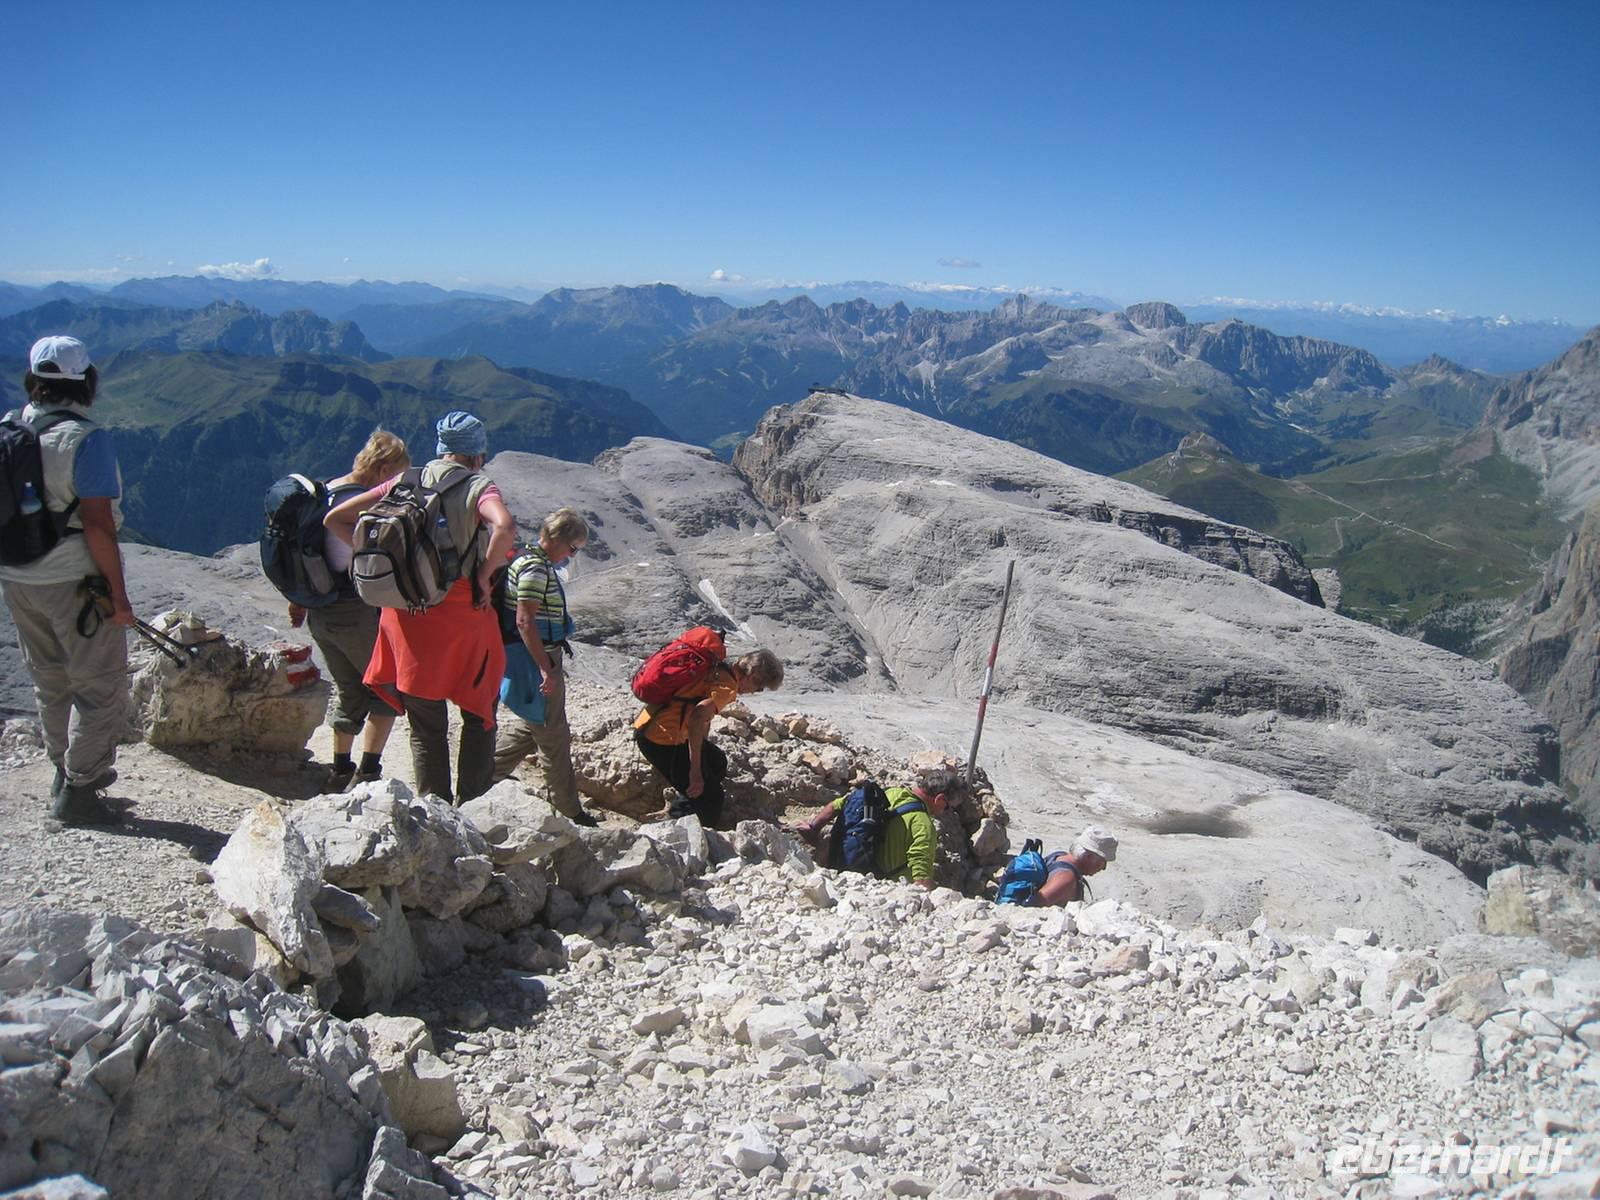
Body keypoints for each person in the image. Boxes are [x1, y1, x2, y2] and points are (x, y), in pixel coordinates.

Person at [325, 411, 515, 804]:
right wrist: (483, 577)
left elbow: (336, 519)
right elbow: (504, 526)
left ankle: (436, 809)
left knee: (426, 725)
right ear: (477, 454)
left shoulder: (404, 479)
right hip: (462, 615)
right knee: (479, 714)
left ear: (441, 449)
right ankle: (474, 806)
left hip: (406, 617)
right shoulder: (479, 485)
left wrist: (387, 571)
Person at [0, 337, 134, 825]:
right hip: (73, 582)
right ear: (86, 382)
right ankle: (80, 790)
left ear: (34, 380)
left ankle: (65, 773)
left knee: (49, 681)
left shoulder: (9, 428)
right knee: (101, 687)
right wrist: (118, 596)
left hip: (16, 577)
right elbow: (97, 524)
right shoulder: (85, 439)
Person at [286, 430, 409, 791]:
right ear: (383, 467)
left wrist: (299, 601)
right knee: (388, 689)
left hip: (321, 613)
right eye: (395, 474)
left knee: (349, 689)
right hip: (353, 612)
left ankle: (340, 768)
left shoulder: (325, 490)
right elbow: (368, 561)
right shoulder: (361, 506)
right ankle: (368, 771)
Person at [491, 507, 596, 825]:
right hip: (537, 658)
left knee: (534, 723)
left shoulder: (527, 557)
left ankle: (483, 776)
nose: (572, 555)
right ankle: (570, 811)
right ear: (561, 540)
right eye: (573, 548)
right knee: (554, 737)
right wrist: (545, 669)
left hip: (531, 656)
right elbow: (525, 621)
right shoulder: (535, 568)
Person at [633, 647, 784, 829]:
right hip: (662, 742)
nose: (755, 691)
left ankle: (682, 805)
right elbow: (698, 717)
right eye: (759, 688)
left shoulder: (718, 669)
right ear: (753, 677)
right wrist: (695, 771)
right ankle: (680, 831)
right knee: (712, 799)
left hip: (651, 726)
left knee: (717, 762)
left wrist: (700, 749)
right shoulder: (726, 687)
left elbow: (700, 714)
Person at [790, 764, 964, 888]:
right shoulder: (923, 825)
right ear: (939, 799)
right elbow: (921, 875)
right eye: (948, 807)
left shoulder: (887, 793)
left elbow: (836, 805)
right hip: (878, 887)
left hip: (839, 870)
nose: (945, 812)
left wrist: (813, 828)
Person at [1032, 826, 1118, 905]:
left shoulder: (1059, 856)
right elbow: (1035, 906)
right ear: (1089, 856)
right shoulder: (1066, 878)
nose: (1104, 868)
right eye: (1102, 861)